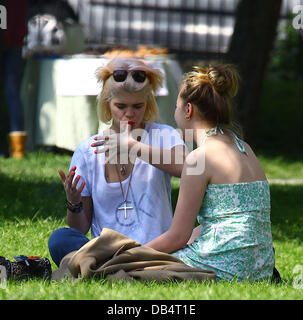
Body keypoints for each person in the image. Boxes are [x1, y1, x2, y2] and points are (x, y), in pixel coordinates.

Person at [48, 58, 186, 267]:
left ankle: (105, 268)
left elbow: (186, 166)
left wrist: (133, 146)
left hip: (155, 250)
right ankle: (114, 266)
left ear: (148, 103)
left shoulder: (164, 135)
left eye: (137, 106)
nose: (129, 114)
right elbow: (79, 229)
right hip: (107, 251)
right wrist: (73, 202)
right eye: (120, 106)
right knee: (60, 239)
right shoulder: (88, 150)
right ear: (107, 103)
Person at [144, 64, 276, 282]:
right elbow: (225, 220)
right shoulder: (244, 147)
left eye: (177, 106)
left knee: (133, 270)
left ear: (188, 110)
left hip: (224, 267)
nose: (175, 111)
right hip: (260, 267)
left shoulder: (199, 158)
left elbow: (177, 236)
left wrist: (131, 253)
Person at [1, 0, 28, 158]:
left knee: (12, 92)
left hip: (9, 38)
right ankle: (18, 151)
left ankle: (16, 149)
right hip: (15, 39)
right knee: (13, 92)